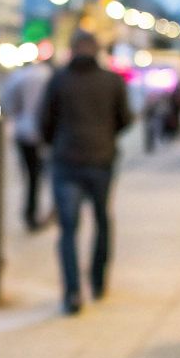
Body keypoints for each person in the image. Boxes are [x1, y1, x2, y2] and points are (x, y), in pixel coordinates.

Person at [40, 30, 133, 313]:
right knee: (102, 219)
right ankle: (98, 280)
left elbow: (46, 121)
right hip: (101, 159)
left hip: (67, 160)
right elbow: (125, 119)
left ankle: (72, 292)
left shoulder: (59, 80)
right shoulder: (111, 81)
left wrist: (57, 142)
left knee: (68, 229)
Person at [1, 56, 54, 231]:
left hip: (24, 129)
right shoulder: (50, 75)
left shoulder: (19, 76)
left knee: (31, 176)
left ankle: (30, 212)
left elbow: (8, 103)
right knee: (48, 174)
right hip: (46, 132)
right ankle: (48, 209)